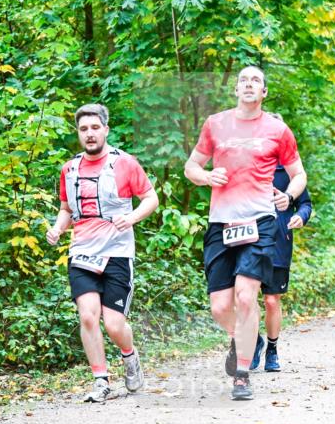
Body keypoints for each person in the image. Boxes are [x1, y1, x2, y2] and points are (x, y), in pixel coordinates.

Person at [185, 65, 308, 400]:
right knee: (220, 307)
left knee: (245, 296)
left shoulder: (278, 129)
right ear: (236, 90)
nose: (249, 84)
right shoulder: (215, 124)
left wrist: (289, 195)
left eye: (256, 80)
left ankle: (241, 374)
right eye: (243, 80)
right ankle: (244, 339)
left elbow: (299, 175)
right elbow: (191, 166)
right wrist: (206, 177)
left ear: (264, 92)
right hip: (221, 222)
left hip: (260, 221)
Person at [47, 103, 159, 402]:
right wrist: (58, 229)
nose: (90, 134)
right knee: (87, 316)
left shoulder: (125, 163)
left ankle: (130, 356)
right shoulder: (69, 169)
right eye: (84, 129)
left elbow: (151, 197)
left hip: (117, 252)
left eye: (95, 128)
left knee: (114, 323)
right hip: (82, 251)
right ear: (78, 133)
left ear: (106, 130)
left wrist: (132, 217)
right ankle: (100, 380)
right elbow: (66, 209)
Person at [250, 161, 313, 372]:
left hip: (279, 242)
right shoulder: (248, 163)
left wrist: (299, 216)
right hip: (249, 240)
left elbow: (306, 204)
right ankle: (254, 341)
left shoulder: (289, 170)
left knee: (270, 300)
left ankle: (272, 349)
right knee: (245, 298)